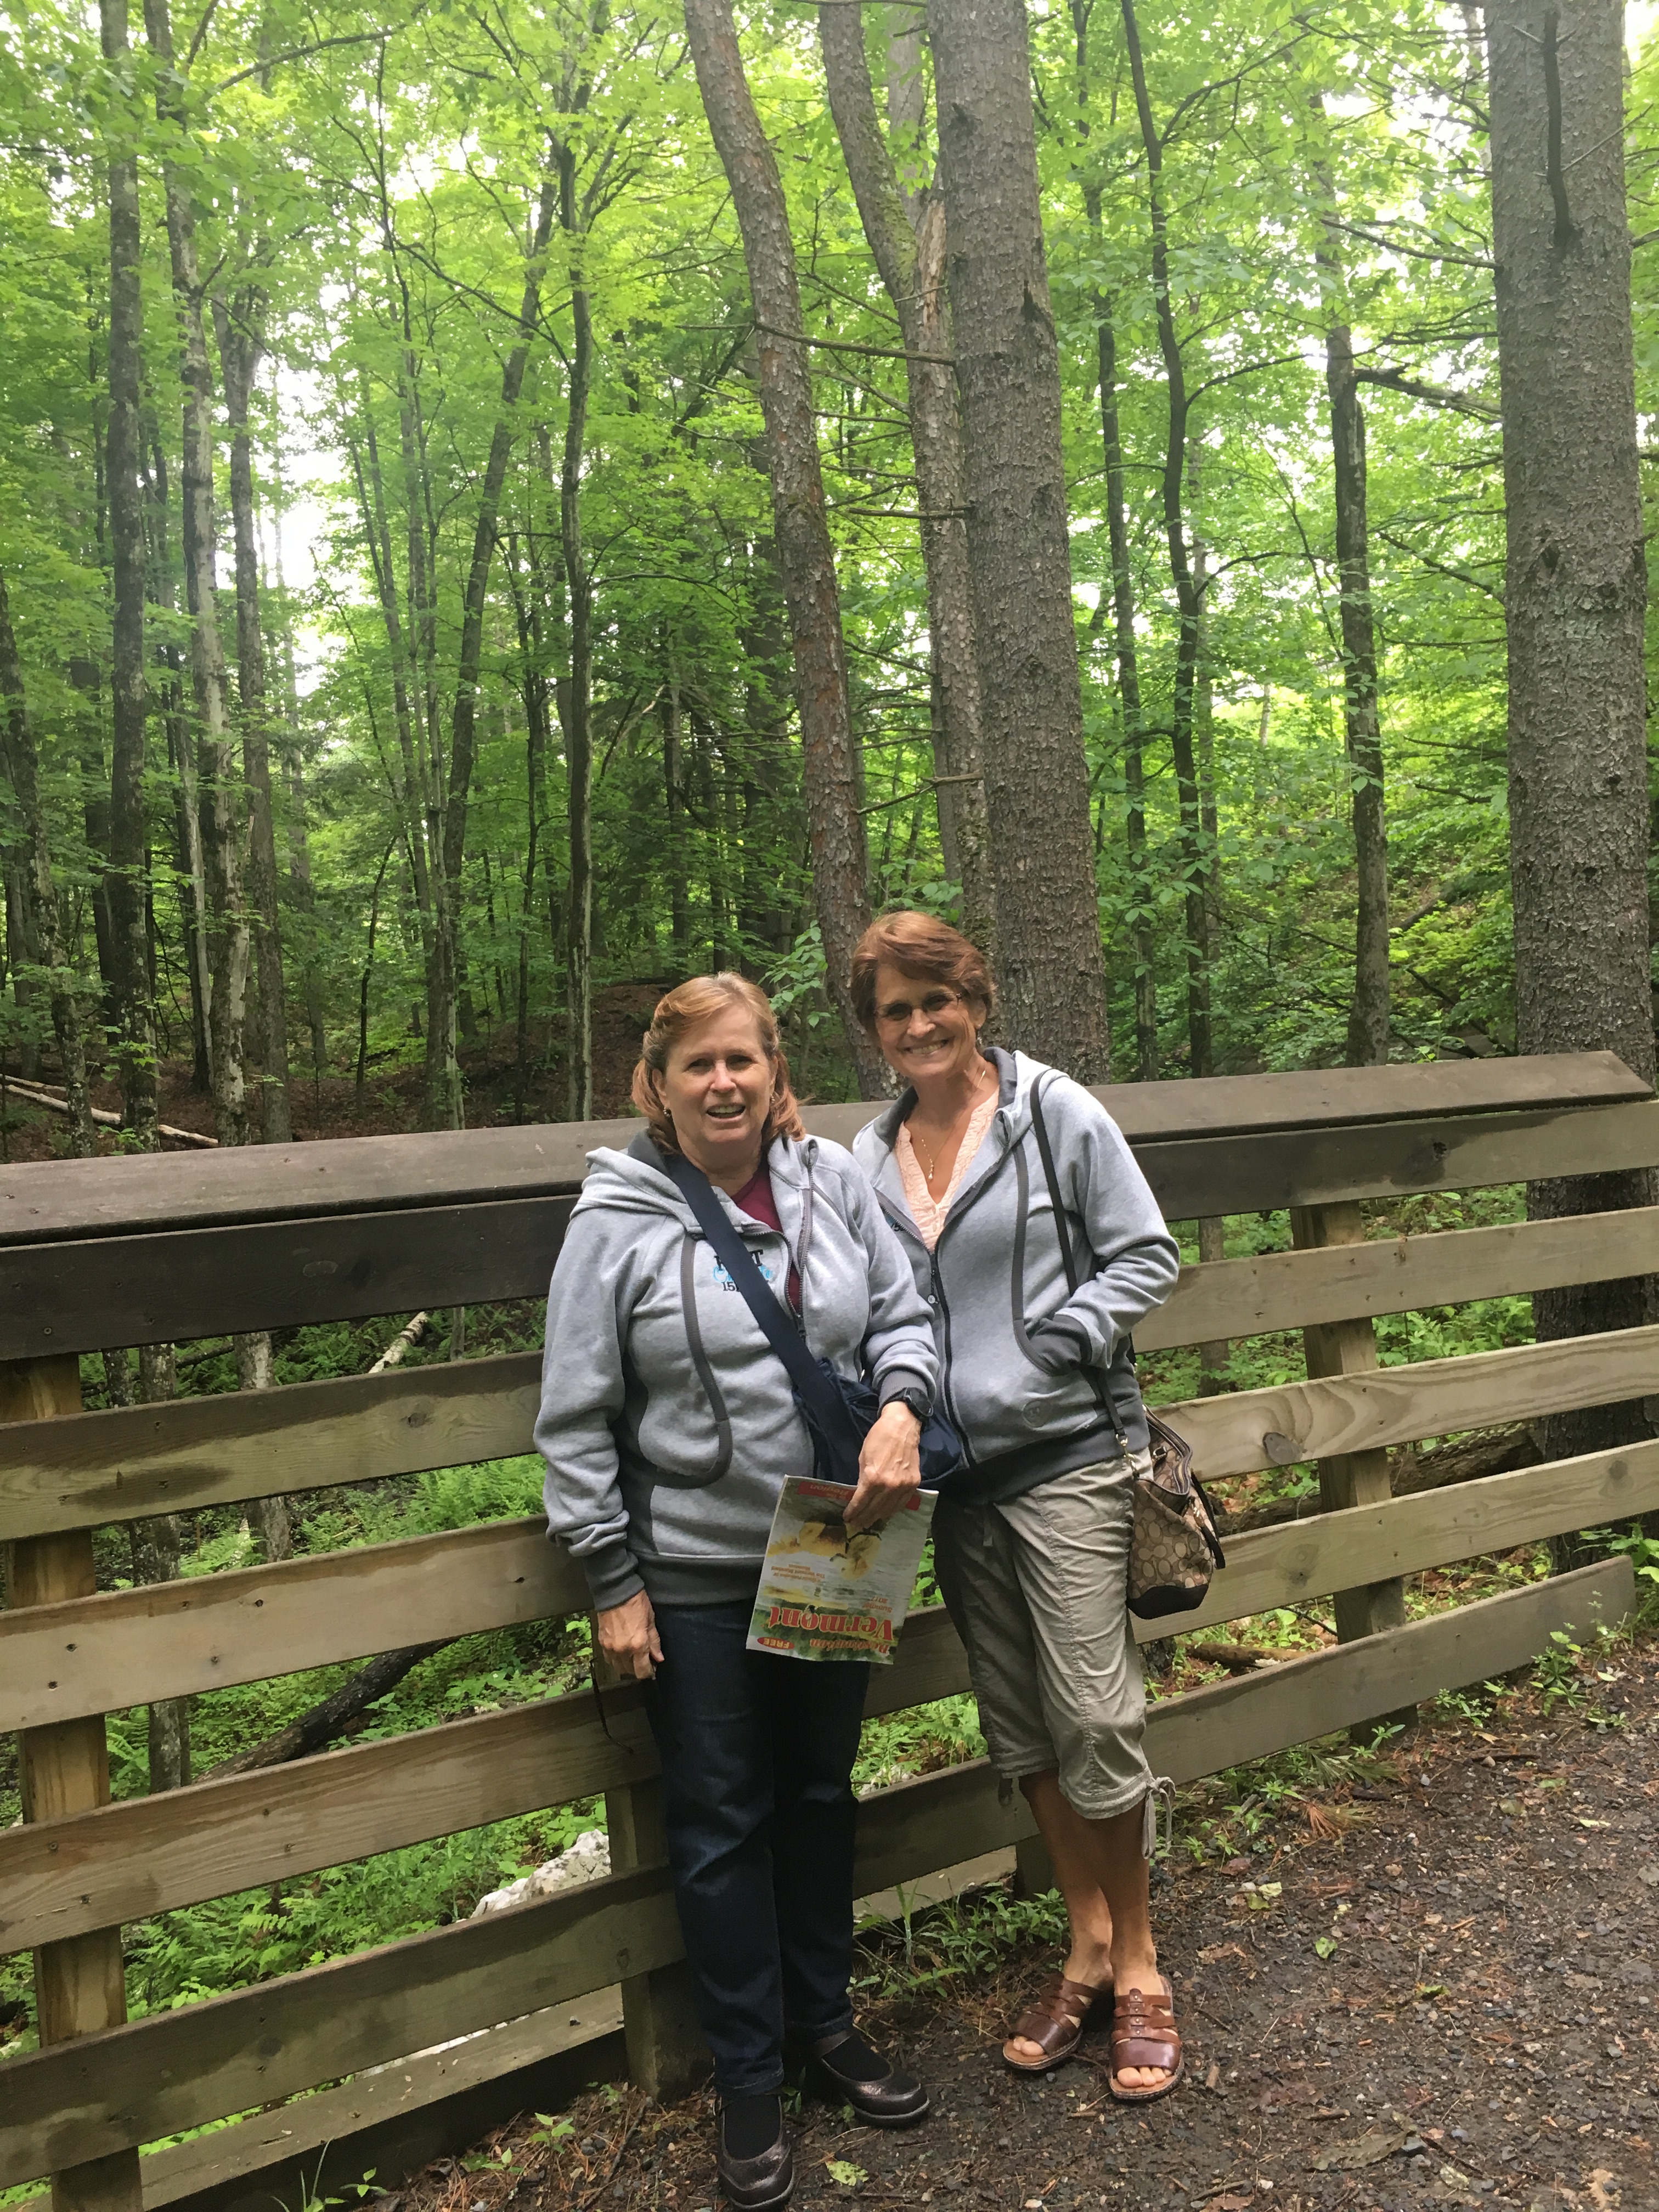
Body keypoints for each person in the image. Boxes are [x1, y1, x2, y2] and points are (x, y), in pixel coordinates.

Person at [538, 973, 939, 2210]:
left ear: (775, 1074)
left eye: (742, 1061)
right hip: (695, 1571)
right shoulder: (616, 1220)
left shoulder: (835, 1184)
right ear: (658, 1087)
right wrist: (612, 1577)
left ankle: (826, 2028)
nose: (723, 1084)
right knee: (718, 1825)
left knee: (818, 1794)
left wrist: (903, 1408)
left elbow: (906, 1315)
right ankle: (749, 2077)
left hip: (836, 1543)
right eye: (697, 1065)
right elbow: (575, 1415)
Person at [849, 912, 1187, 2103]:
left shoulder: (1054, 1113)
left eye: (935, 998)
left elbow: (1147, 1255)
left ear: (976, 1000)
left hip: (1068, 1457)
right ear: (876, 1032)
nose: (920, 1024)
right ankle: (1085, 1942)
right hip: (955, 1485)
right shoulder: (866, 1157)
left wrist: (1054, 1344)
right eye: (895, 1010)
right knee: (1023, 1726)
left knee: (1094, 1712)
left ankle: (1140, 1964)